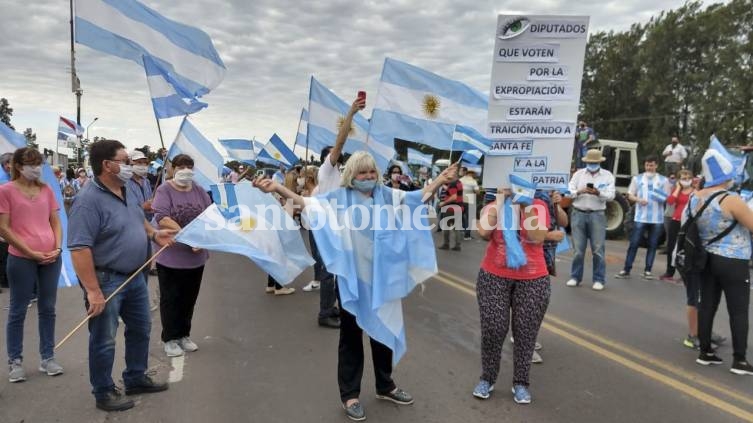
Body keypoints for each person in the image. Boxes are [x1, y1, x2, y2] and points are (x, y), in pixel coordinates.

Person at [255, 150, 457, 421]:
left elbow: (416, 197)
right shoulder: (340, 198)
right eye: (362, 172)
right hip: (352, 280)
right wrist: (278, 187)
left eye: (372, 172)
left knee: (383, 327)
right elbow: (307, 204)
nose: (368, 177)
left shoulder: (386, 195)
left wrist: (441, 179)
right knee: (351, 337)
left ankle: (385, 385)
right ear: (352, 174)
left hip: (384, 279)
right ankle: (350, 395)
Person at [68, 140, 175, 411]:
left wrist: (153, 233)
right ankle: (103, 391)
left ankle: (136, 377)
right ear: (107, 165)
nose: (130, 166)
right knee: (104, 338)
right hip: (107, 279)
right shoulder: (87, 201)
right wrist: (92, 290)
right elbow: (80, 248)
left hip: (136, 275)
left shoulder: (127, 189)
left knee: (141, 328)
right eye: (125, 161)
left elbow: (138, 217)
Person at [471, 182, 550, 404]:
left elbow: (537, 237)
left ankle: (521, 383)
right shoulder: (493, 206)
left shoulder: (539, 206)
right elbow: (483, 231)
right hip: (494, 276)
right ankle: (487, 378)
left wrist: (526, 206)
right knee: (493, 330)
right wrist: (499, 200)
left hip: (533, 279)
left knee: (526, 334)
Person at [0, 147, 64, 383]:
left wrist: (57, 248)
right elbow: (4, 228)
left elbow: (55, 222)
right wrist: (30, 251)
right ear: (17, 166)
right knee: (18, 309)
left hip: (50, 258)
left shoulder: (46, 190)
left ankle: (47, 357)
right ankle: (15, 361)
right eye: (31, 163)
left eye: (39, 163)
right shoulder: (5, 191)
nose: (36, 167)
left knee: (48, 308)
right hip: (21, 258)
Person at [687, 150, 752, 375]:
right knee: (738, 310)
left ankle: (705, 353)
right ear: (726, 174)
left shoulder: (695, 197)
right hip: (734, 259)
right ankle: (739, 360)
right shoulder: (731, 199)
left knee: (707, 305)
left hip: (706, 258)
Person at [305, 97, 367, 329]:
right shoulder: (327, 169)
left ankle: (334, 308)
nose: (338, 154)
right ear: (326, 158)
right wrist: (351, 114)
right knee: (330, 272)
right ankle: (324, 314)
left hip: (339, 227)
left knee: (340, 270)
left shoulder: (340, 174)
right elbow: (339, 143)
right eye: (333, 153)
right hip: (325, 228)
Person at [151, 154, 213, 357]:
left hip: (196, 257)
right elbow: (162, 216)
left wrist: (200, 238)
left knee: (189, 298)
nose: (185, 170)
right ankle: (169, 338)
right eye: (181, 166)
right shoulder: (164, 189)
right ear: (172, 168)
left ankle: (184, 335)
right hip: (171, 256)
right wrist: (187, 236)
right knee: (171, 299)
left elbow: (209, 216)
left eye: (189, 166)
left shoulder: (199, 190)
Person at [566, 149, 616, 291]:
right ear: (586, 162)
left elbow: (611, 195)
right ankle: (575, 277)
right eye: (590, 162)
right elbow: (568, 192)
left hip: (597, 214)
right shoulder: (578, 174)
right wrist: (580, 191)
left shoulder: (607, 176)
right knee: (578, 250)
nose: (592, 164)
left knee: (598, 249)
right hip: (578, 213)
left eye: (595, 162)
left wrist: (598, 193)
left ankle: (599, 279)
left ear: (599, 162)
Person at [616, 156, 669, 280]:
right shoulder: (637, 178)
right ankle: (626, 269)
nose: (649, 167)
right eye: (647, 165)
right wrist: (639, 200)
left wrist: (662, 197)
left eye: (651, 165)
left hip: (657, 218)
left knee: (653, 244)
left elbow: (667, 197)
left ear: (656, 165)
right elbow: (630, 195)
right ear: (644, 165)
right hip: (641, 216)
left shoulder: (663, 180)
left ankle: (648, 270)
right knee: (634, 243)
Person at [661, 170, 694, 282]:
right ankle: (669, 271)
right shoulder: (677, 190)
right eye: (683, 178)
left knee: (685, 247)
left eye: (688, 178)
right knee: (671, 246)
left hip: (688, 222)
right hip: (675, 220)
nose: (686, 180)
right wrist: (678, 188)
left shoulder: (694, 191)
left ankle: (684, 273)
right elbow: (670, 201)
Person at [437, 172, 464, 251]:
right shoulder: (459, 182)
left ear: (453, 175)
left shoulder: (452, 184)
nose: (448, 177)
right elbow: (454, 192)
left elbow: (453, 197)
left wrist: (443, 203)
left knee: (446, 227)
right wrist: (446, 187)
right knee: (457, 228)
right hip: (459, 207)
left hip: (450, 208)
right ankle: (458, 245)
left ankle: (446, 244)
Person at [126, 150, 154, 222]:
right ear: (129, 163)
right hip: (133, 223)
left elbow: (150, 200)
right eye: (139, 162)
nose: (143, 165)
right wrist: (143, 207)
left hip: (149, 222)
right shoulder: (124, 183)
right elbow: (123, 209)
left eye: (145, 163)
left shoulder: (146, 181)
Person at [0, 152, 14, 292]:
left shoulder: (8, 177)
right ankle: (4, 280)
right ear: (6, 165)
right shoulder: (3, 180)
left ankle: (5, 280)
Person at [460, 168, 480, 240]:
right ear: (471, 174)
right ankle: (467, 235)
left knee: (461, 215)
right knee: (469, 218)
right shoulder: (473, 181)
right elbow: (477, 192)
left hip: (461, 201)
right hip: (470, 201)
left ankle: (462, 229)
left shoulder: (461, 180)